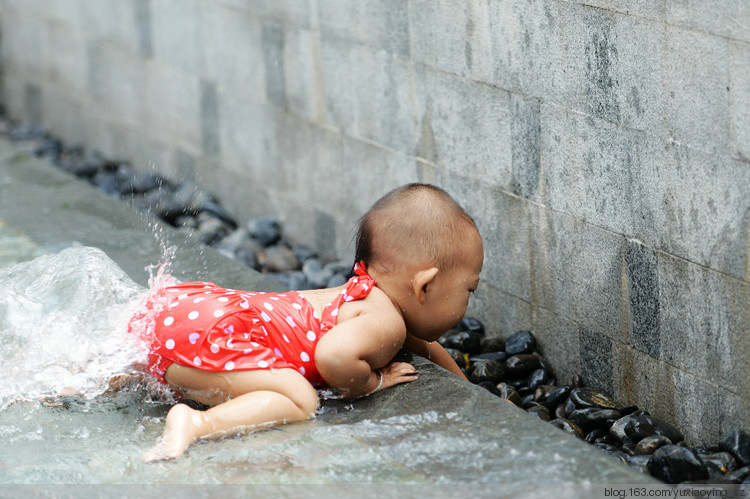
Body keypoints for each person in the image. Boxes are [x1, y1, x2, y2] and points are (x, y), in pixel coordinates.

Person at [133, 183, 484, 461]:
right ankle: (197, 423)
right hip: (215, 333)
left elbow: (427, 347)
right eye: (470, 289)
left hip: (187, 317)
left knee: (172, 357)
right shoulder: (385, 322)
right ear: (425, 285)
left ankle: (131, 371)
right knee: (300, 399)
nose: (469, 300)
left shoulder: (365, 296)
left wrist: (470, 389)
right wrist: (372, 383)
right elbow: (333, 357)